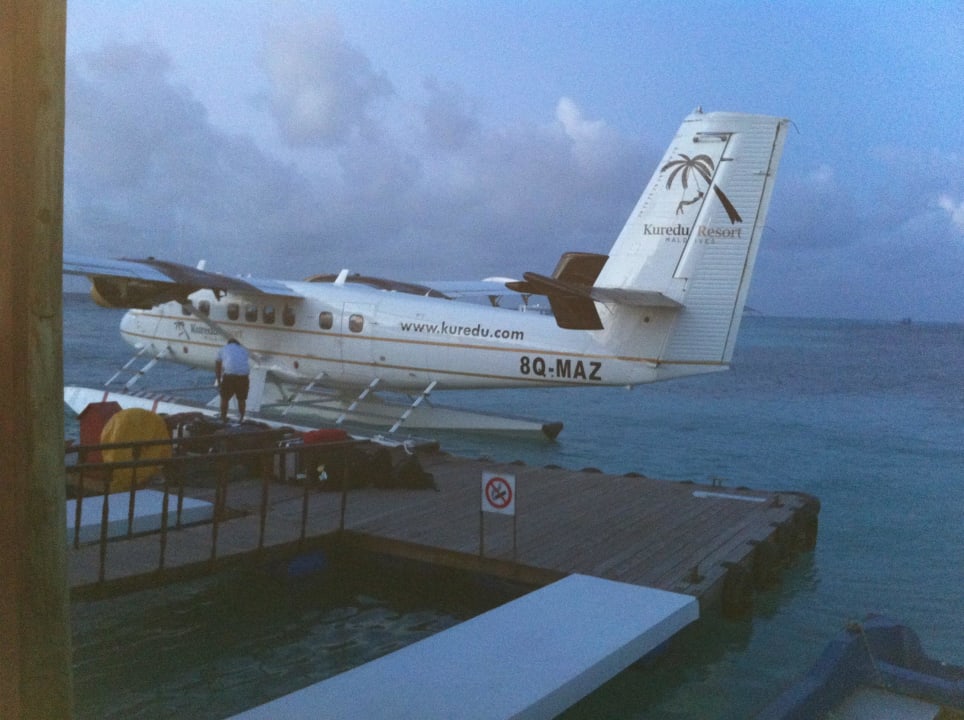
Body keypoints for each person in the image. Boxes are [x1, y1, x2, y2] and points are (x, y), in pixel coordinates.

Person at [215, 338, 250, 423]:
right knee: (241, 399)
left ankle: (223, 418)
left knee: (224, 398)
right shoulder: (244, 350)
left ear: (229, 343)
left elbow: (218, 367)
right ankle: (241, 418)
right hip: (243, 377)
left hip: (230, 377)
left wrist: (219, 381)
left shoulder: (223, 349)